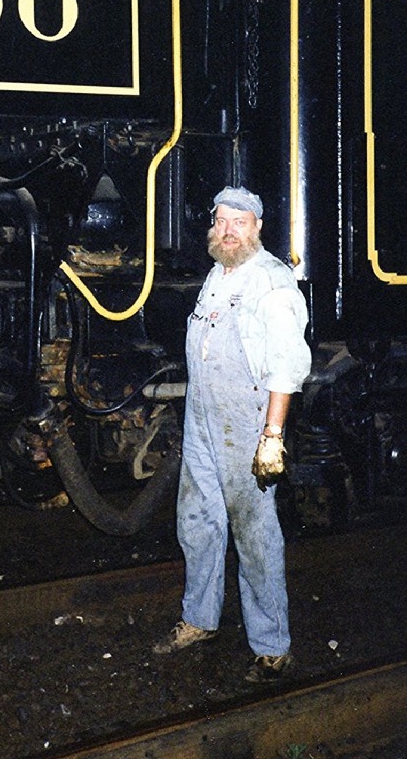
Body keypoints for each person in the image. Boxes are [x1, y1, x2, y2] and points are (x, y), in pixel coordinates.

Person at [153, 185, 312, 682]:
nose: (227, 230)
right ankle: (200, 620)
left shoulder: (271, 282)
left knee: (254, 532)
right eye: (220, 221)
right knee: (197, 523)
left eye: (238, 221)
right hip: (203, 420)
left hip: (246, 423)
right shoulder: (218, 274)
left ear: (258, 227)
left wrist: (272, 435)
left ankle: (273, 647)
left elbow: (286, 366)